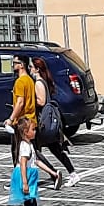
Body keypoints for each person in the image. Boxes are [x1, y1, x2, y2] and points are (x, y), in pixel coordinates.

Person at [30, 56, 77, 184]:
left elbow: (41, 101)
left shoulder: (39, 83)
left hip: (42, 121)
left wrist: (30, 100)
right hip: (47, 120)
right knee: (55, 148)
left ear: (37, 69)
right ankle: (72, 173)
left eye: (31, 67)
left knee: (35, 151)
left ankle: (54, 173)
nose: (30, 69)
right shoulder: (44, 81)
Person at [10, 117, 52, 206]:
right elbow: (23, 164)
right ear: (25, 132)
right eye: (33, 129)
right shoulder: (25, 146)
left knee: (29, 204)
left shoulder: (30, 145)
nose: (35, 131)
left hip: (30, 176)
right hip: (25, 176)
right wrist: (25, 182)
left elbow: (36, 161)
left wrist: (52, 172)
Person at [6, 52, 37, 163]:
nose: (13, 65)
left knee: (18, 154)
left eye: (15, 63)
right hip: (31, 120)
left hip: (21, 122)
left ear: (22, 65)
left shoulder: (20, 82)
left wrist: (10, 119)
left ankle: (20, 174)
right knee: (31, 152)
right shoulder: (29, 80)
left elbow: (20, 102)